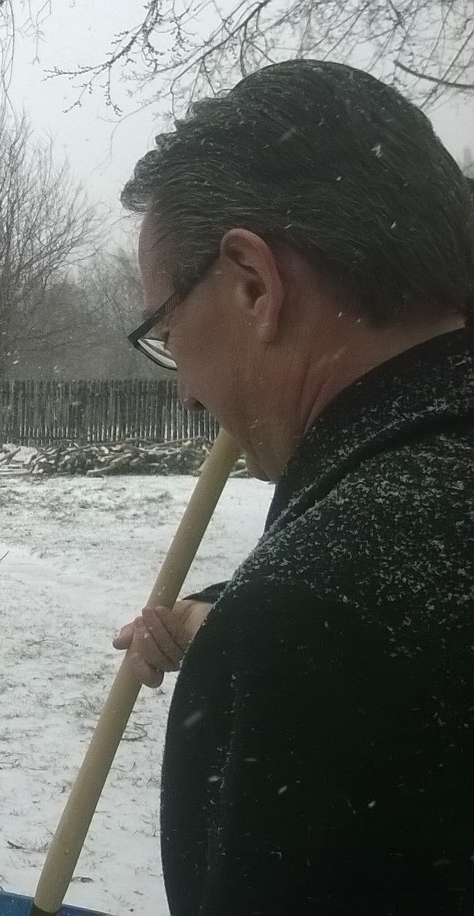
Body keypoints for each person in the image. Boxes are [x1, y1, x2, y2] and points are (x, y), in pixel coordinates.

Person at [116, 59, 474, 914]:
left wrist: (262, 629)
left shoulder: (312, 626)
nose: (186, 392)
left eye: (166, 328)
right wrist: (215, 615)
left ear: (254, 285)